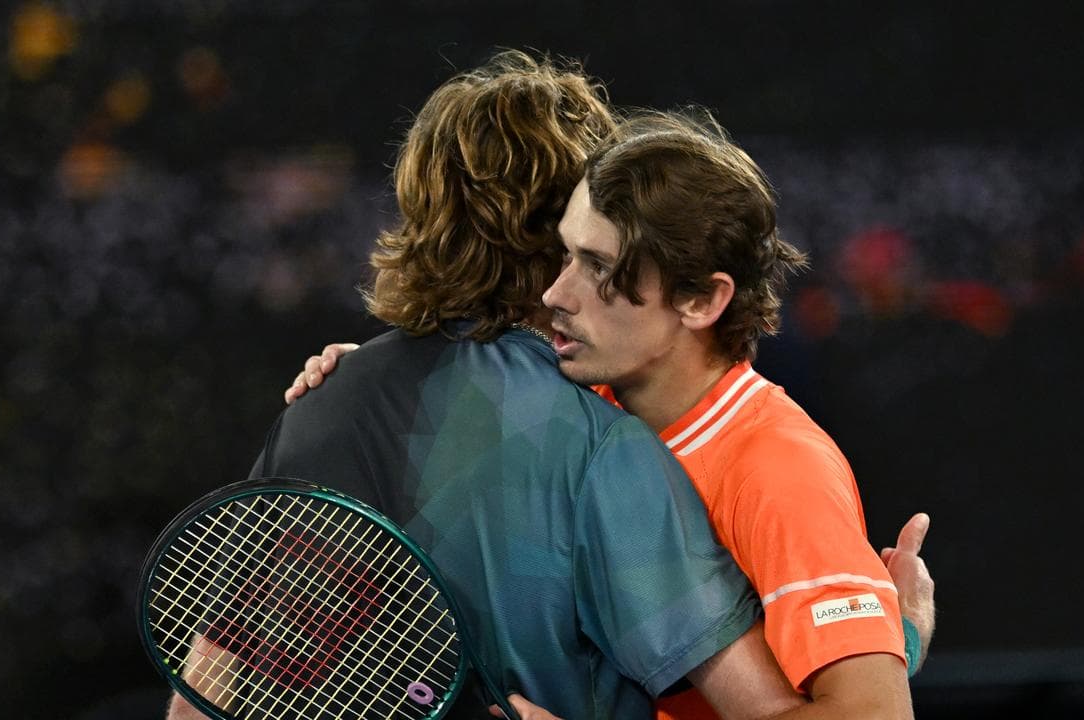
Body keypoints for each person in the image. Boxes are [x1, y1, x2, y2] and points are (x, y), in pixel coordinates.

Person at [167, 51, 808, 720]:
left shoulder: (320, 405)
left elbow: (200, 705)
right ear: (577, 221)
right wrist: (897, 636)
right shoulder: (605, 449)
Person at [287, 111, 936, 720]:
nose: (555, 294)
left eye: (597, 267)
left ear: (700, 300)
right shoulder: (584, 413)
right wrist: (372, 378)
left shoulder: (780, 471)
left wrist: (887, 654)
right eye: (568, 254)